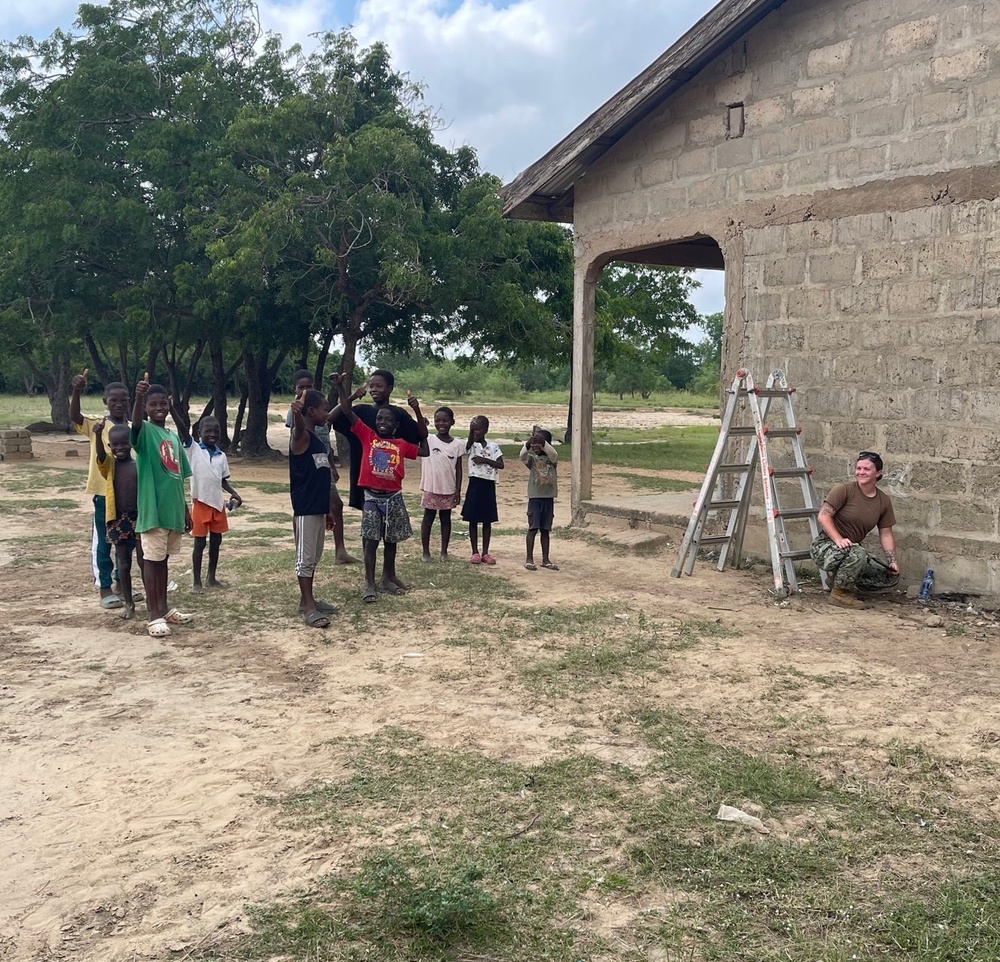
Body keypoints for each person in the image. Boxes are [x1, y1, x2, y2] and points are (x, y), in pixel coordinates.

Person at [333, 374, 428, 603]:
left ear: (396, 426)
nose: (382, 421)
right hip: (370, 495)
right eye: (379, 419)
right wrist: (341, 388)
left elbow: (424, 444)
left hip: (393, 497)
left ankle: (388, 577)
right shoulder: (368, 434)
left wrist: (417, 411)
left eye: (387, 420)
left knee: (390, 540)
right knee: (370, 539)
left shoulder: (401, 442)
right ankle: (370, 583)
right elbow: (346, 412)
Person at [131, 375, 193, 637]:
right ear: (146, 407)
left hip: (172, 511)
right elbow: (134, 425)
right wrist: (137, 397)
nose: (159, 408)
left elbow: (178, 476)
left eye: (163, 403)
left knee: (163, 561)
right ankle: (153, 614)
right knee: (152, 563)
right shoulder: (144, 432)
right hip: (153, 511)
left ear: (169, 404)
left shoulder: (173, 437)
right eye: (152, 404)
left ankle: (164, 609)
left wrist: (186, 509)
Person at [70, 367, 131, 609]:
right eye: (113, 400)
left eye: (123, 400)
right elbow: (75, 417)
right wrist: (76, 391)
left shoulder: (135, 426)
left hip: (129, 495)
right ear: (105, 402)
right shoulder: (97, 425)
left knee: (126, 541)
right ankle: (104, 586)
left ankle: (122, 583)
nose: (118, 404)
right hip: (104, 494)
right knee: (104, 541)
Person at [810, 451, 899, 609]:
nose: (861, 472)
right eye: (858, 468)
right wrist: (839, 539)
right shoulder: (843, 490)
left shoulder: (883, 501)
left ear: (878, 473)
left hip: (852, 549)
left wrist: (892, 562)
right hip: (826, 546)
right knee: (858, 553)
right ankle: (840, 594)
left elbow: (886, 533)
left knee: (887, 576)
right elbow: (823, 516)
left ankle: (839, 579)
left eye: (866, 469)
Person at [286, 369, 357, 565]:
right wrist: (297, 410)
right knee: (306, 508)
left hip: (323, 465)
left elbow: (325, 442)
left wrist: (331, 466)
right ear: (295, 389)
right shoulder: (300, 415)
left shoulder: (320, 411)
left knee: (332, 506)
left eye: (309, 387)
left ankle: (338, 551)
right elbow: (298, 429)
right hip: (309, 468)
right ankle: (302, 547)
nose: (305, 390)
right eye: (301, 387)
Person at [329, 368, 422, 512]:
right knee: (368, 521)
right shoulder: (360, 411)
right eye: (371, 386)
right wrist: (350, 395)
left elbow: (419, 436)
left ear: (390, 389)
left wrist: (418, 412)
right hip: (362, 475)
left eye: (379, 386)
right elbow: (332, 417)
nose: (374, 390)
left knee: (388, 523)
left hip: (387, 481)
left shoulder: (398, 415)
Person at [172, 410, 242, 593]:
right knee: (199, 543)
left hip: (218, 504)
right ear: (199, 433)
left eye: (216, 431)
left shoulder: (221, 456)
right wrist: (172, 408)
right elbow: (182, 430)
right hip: (200, 502)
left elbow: (222, 480)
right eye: (208, 431)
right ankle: (196, 582)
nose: (212, 435)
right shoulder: (193, 449)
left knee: (216, 541)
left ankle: (211, 577)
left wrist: (235, 493)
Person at [289, 387, 338, 628]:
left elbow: (321, 475)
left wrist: (327, 508)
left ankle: (307, 599)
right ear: (311, 411)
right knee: (305, 559)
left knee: (314, 556)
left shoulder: (317, 439)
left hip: (318, 508)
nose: (327, 413)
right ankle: (308, 607)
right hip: (305, 508)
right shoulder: (302, 437)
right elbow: (298, 426)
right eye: (324, 409)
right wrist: (296, 413)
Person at [93, 421, 144, 620]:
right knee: (123, 564)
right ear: (110, 446)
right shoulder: (110, 467)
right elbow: (100, 457)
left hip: (139, 518)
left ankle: (151, 602)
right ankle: (129, 602)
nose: (119, 448)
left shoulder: (138, 466)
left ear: (131, 443)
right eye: (115, 445)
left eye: (123, 443)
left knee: (143, 561)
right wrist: (97, 436)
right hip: (118, 520)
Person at [419, 406, 464, 562]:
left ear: (452, 422)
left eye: (445, 420)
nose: (441, 424)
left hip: (448, 488)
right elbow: (415, 433)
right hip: (430, 486)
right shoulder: (428, 439)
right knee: (428, 518)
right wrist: (421, 423)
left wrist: (458, 489)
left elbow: (459, 469)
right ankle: (426, 552)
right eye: (437, 420)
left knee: (446, 519)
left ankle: (444, 552)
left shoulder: (457, 444)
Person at [461, 415, 504, 565]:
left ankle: (485, 552)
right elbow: (467, 445)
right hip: (475, 483)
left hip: (488, 485)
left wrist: (484, 460)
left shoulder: (493, 446)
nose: (475, 432)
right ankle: (475, 552)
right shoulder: (471, 445)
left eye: (478, 429)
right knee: (472, 519)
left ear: (486, 430)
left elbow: (500, 464)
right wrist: (470, 431)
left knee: (487, 520)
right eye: (473, 429)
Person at [519, 426, 559, 571]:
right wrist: (528, 444)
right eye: (534, 444)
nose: (536, 447)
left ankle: (545, 559)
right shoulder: (532, 460)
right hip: (535, 499)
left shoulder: (552, 460)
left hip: (548, 498)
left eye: (539, 444)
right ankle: (529, 559)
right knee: (533, 528)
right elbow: (522, 456)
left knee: (545, 530)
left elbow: (553, 453)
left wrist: (544, 443)